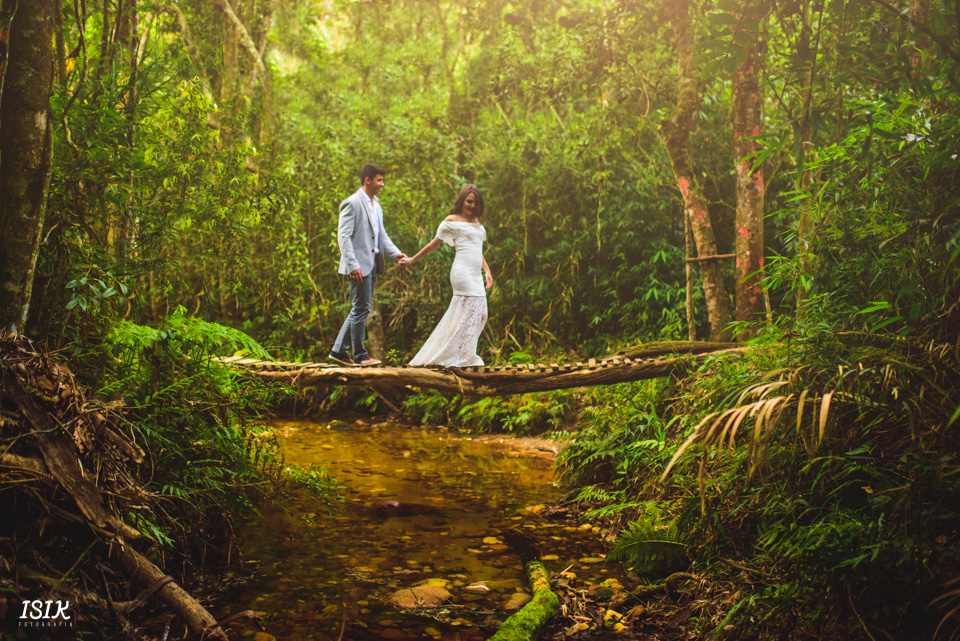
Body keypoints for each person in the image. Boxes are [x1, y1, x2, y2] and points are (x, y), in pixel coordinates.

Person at [399, 184, 493, 367]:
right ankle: (464, 358)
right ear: (462, 200)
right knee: (472, 311)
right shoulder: (451, 221)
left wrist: (487, 270)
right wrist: (411, 260)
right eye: (469, 201)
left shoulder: (476, 222)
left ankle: (461, 354)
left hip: (476, 274)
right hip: (462, 273)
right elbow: (434, 244)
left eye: (476, 202)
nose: (472, 205)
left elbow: (477, 250)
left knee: (481, 313)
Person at [329, 164, 406, 366]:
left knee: (361, 308)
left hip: (372, 264)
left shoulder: (376, 206)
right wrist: (352, 265)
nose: (382, 184)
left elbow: (382, 236)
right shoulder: (352, 203)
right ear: (368, 180)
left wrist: (396, 255)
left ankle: (338, 350)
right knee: (361, 309)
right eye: (379, 180)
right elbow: (343, 237)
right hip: (358, 266)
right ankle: (360, 356)